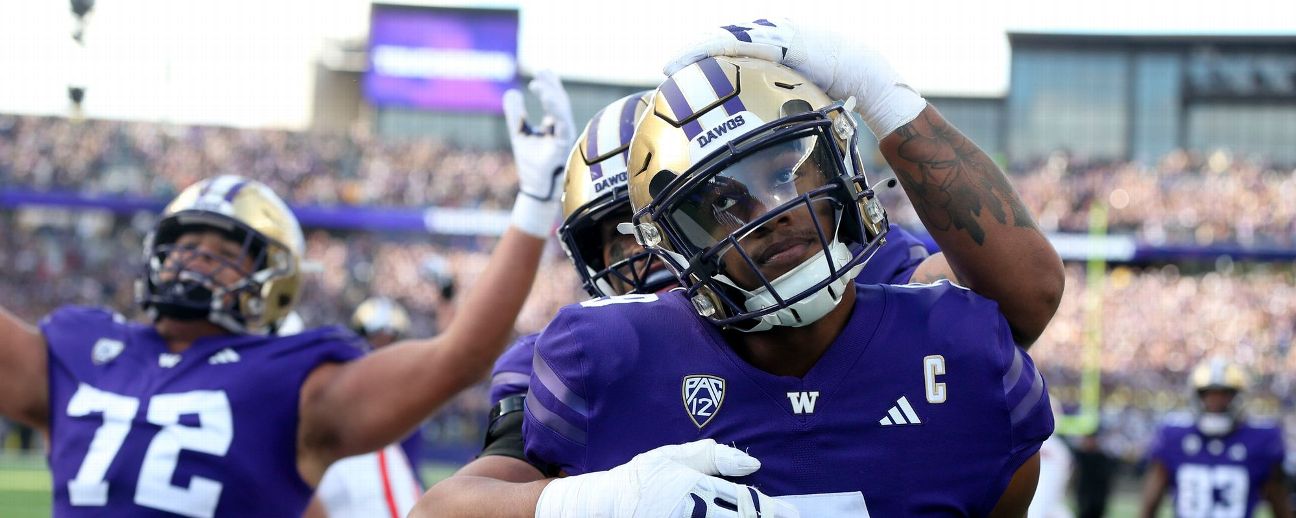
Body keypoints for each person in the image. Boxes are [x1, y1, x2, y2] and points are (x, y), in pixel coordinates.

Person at [415, 18, 1063, 518]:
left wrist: (876, 87)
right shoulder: (589, 354)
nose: (768, 214)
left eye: (782, 174)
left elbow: (1020, 299)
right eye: (716, 203)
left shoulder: (934, 329)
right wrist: (589, 501)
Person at [0, 71, 575, 516]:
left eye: (224, 253)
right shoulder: (82, 346)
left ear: (274, 286)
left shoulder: (294, 379)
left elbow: (460, 356)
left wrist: (532, 205)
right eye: (183, 245)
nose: (194, 259)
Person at [431, 87, 959, 497]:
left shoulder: (835, 277)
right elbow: (465, 501)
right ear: (590, 262)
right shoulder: (571, 359)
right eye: (622, 239)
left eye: (668, 224)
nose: (651, 253)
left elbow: (980, 310)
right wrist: (598, 500)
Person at [304, 297, 423, 518]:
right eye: (375, 341)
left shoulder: (406, 407)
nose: (381, 351)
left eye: (389, 342)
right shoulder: (340, 406)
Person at [1138, 357, 1290, 518]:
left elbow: (1279, 501)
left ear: (1239, 396)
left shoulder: (1262, 439)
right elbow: (1150, 504)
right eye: (1208, 394)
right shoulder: (1173, 435)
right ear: (1197, 396)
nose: (1215, 401)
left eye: (1225, 394)